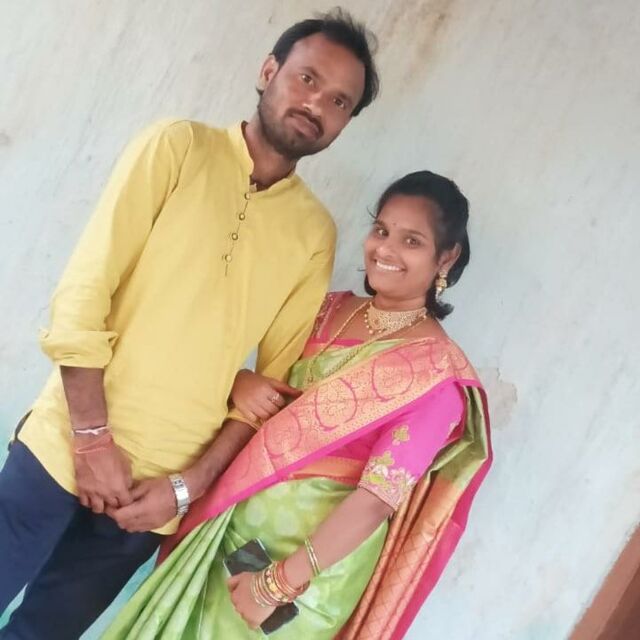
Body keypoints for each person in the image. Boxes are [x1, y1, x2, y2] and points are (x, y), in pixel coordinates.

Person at [0, 10, 379, 639]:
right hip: (62, 447)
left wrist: (184, 489)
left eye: (340, 101)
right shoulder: (178, 148)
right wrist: (91, 441)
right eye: (308, 78)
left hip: (151, 499)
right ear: (269, 71)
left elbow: (273, 390)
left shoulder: (313, 234)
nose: (317, 104)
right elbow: (84, 294)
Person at [103, 171, 492, 639]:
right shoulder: (326, 308)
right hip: (227, 529)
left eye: (412, 241)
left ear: (446, 257)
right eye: (382, 230)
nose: (386, 250)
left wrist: (276, 585)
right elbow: (257, 370)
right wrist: (240, 381)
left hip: (302, 580)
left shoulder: (435, 376)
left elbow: (375, 501)